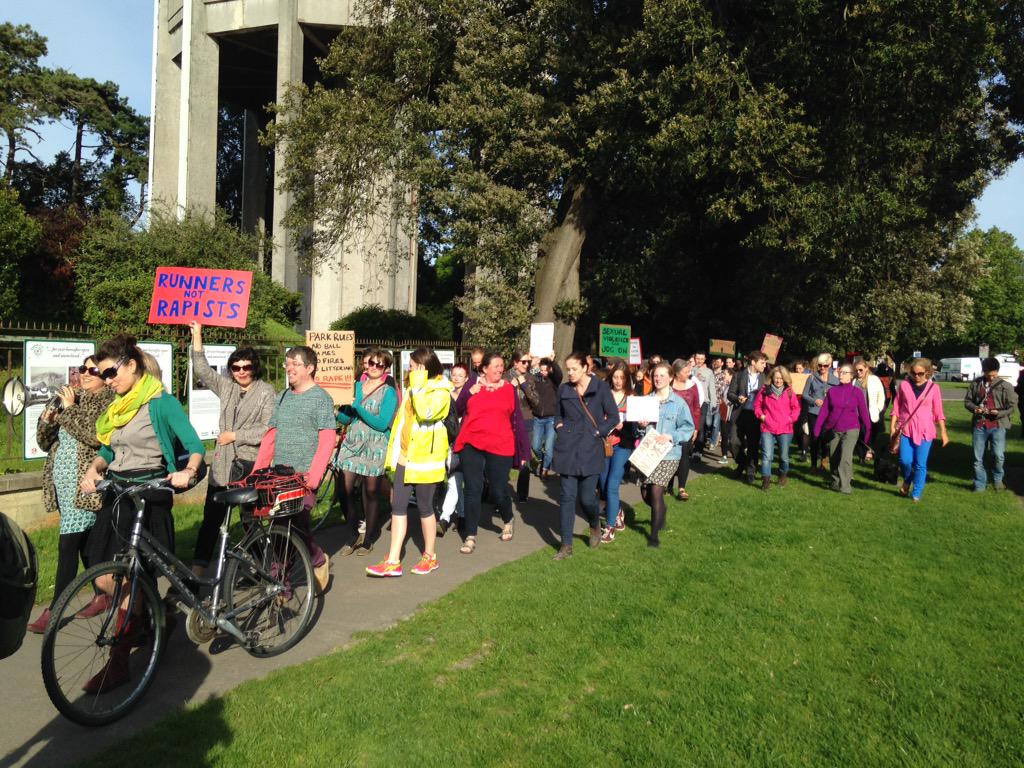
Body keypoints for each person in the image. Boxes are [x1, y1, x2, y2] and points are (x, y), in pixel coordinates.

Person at [78, 335, 205, 693]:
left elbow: (194, 446)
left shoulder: (161, 404)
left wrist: (188, 471)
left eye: (110, 373)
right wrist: (95, 467)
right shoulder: (118, 406)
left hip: (150, 493)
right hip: (118, 493)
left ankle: (119, 663)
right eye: (102, 375)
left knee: (132, 579)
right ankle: (149, 620)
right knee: (104, 576)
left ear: (131, 365)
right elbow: (108, 448)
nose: (107, 381)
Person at [27, 357, 115, 633]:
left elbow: (94, 436)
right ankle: (102, 594)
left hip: (85, 486)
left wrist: (68, 410)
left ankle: (55, 610)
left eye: (93, 371)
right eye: (82, 370)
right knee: (88, 545)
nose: (85, 375)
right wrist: (48, 418)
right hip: (63, 488)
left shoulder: (107, 400)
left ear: (104, 375)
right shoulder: (72, 398)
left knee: (67, 546)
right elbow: (44, 443)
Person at [188, 322, 276, 576]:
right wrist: (197, 336)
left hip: (248, 466)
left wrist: (236, 436)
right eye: (236, 368)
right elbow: (202, 370)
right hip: (222, 467)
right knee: (210, 522)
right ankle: (198, 575)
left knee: (251, 522)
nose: (241, 372)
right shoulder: (227, 387)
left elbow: (268, 428)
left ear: (254, 367)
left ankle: (264, 572)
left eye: (246, 367)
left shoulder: (265, 392)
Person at [251, 345, 336, 589]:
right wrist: (259, 472)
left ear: (309, 368)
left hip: (305, 477)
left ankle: (316, 559)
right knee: (280, 528)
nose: (289, 368)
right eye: (287, 364)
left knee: (295, 528)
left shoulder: (321, 398)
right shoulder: (283, 396)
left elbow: (327, 440)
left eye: (295, 364)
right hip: (279, 477)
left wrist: (314, 477)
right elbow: (271, 436)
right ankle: (282, 585)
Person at [366, 348, 452, 577]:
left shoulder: (441, 390)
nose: (409, 370)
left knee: (425, 508)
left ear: (424, 367)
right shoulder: (414, 387)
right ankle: (393, 560)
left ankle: (430, 556)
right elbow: (403, 422)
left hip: (426, 461)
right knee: (398, 507)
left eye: (413, 366)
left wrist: (419, 382)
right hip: (406, 457)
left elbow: (425, 412)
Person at [454, 352, 530, 555]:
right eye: (495, 366)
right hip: (472, 443)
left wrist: (524, 450)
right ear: (484, 368)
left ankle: (508, 518)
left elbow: (518, 420)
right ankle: (470, 536)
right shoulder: (473, 385)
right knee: (472, 489)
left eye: (501, 366)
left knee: (497, 490)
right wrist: (469, 392)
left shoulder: (508, 389)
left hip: (500, 445)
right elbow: (456, 410)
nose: (499, 369)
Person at [551, 352, 619, 559]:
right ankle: (566, 545)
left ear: (585, 368)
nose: (569, 373)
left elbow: (614, 417)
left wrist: (598, 431)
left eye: (574, 369)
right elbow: (557, 414)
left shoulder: (601, 388)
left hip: (591, 449)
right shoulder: (564, 389)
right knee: (566, 497)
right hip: (568, 449)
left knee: (587, 498)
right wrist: (559, 426)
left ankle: (594, 523)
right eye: (568, 369)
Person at [335, 348, 399, 556]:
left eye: (379, 364)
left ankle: (368, 538)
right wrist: (338, 410)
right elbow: (347, 418)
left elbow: (381, 424)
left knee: (371, 492)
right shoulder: (356, 386)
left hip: (375, 446)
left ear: (386, 368)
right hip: (352, 443)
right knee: (345, 490)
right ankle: (353, 532)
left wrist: (358, 406)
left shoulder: (388, 392)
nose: (373, 367)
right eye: (370, 363)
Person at [637, 362, 695, 548]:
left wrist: (671, 436)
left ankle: (653, 536)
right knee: (646, 494)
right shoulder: (647, 400)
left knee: (655, 491)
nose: (658, 378)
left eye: (662, 375)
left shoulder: (678, 403)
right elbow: (638, 432)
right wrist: (640, 426)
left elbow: (688, 427)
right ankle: (661, 508)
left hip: (670, 454)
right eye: (655, 375)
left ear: (670, 378)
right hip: (648, 453)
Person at [890, 358, 948, 501]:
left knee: (920, 464)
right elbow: (897, 407)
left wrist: (944, 433)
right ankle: (907, 480)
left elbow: (938, 412)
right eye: (913, 373)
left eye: (920, 374)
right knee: (905, 461)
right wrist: (892, 427)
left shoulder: (934, 388)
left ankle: (916, 493)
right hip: (906, 429)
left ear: (927, 372)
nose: (916, 376)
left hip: (925, 430)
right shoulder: (904, 385)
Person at [813, 362, 871, 494]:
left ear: (851, 376)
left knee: (845, 457)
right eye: (840, 372)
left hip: (851, 429)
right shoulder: (832, 391)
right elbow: (824, 412)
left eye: (845, 372)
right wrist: (817, 429)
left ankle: (845, 486)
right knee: (834, 457)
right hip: (834, 429)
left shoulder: (857, 392)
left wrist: (868, 430)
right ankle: (835, 480)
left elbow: (863, 413)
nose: (841, 374)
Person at [965, 356, 1017, 492]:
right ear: (984, 371)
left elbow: (1012, 406)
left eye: (994, 374)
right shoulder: (976, 384)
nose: (991, 376)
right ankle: (980, 484)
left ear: (997, 371)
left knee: (999, 456)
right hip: (979, 425)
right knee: (978, 458)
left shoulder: (1006, 386)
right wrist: (975, 409)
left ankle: (998, 480)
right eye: (989, 374)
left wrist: (998, 413)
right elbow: (968, 401)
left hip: (997, 425)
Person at [599, 362, 636, 542]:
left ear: (627, 379)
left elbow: (636, 427)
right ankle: (618, 511)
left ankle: (610, 526)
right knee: (604, 483)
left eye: (622, 378)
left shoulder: (632, 398)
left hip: (623, 445)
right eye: (615, 377)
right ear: (610, 377)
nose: (618, 381)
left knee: (613, 484)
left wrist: (625, 425)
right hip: (605, 444)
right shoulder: (603, 394)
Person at [753, 365, 802, 490]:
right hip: (767, 428)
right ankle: (766, 481)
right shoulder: (765, 391)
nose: (778, 380)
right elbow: (757, 406)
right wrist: (762, 416)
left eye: (781, 378)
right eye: (776, 378)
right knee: (766, 456)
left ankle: (782, 474)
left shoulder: (789, 391)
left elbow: (796, 408)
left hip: (785, 429)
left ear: (785, 379)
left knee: (784, 457)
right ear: (771, 378)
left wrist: (791, 419)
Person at [439, 363, 471, 534]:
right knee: (455, 481)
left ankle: (445, 518)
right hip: (448, 442)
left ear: (467, 378)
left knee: (456, 481)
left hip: (465, 442)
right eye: (454, 374)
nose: (456, 378)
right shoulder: (445, 394)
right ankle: (461, 516)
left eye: (460, 375)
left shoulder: (469, 395)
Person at [727, 351, 768, 483]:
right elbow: (730, 394)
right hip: (740, 413)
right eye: (762, 362)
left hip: (755, 415)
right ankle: (742, 462)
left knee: (753, 444)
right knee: (733, 442)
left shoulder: (766, 378)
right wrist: (737, 398)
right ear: (753, 362)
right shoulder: (739, 375)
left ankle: (751, 471)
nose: (764, 365)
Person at [506, 350, 540, 502]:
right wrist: (511, 387)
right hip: (508, 420)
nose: (527, 364)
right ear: (515, 363)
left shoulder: (531, 378)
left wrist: (524, 384)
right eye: (523, 362)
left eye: (528, 362)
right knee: (506, 456)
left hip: (526, 420)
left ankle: (522, 493)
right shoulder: (505, 377)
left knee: (525, 458)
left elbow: (536, 401)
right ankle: (502, 494)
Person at [669, 359, 704, 501]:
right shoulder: (669, 385)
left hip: (687, 427)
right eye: (685, 372)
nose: (689, 374)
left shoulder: (692, 385)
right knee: (670, 455)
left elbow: (696, 408)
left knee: (684, 455)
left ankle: (682, 488)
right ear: (676, 373)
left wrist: (696, 427)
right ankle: (668, 484)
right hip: (670, 426)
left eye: (689, 371)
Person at [802, 353, 839, 470]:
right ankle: (813, 464)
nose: (822, 368)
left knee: (825, 438)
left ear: (829, 365)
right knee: (815, 438)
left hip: (829, 414)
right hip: (814, 412)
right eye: (820, 366)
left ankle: (824, 460)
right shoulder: (812, 377)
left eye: (825, 366)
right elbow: (804, 395)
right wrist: (814, 400)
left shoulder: (836, 381)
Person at [530, 357, 562, 477]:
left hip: (551, 418)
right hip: (538, 418)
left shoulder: (554, 380)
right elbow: (527, 375)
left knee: (549, 448)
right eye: (542, 370)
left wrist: (552, 361)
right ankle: (542, 459)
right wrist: (531, 363)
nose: (543, 372)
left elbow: (558, 373)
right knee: (535, 446)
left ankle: (545, 469)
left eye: (546, 370)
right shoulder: (536, 378)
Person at [853, 358, 886, 462]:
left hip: (870, 412)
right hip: (856, 413)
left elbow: (881, 396)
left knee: (869, 433)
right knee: (858, 434)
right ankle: (862, 454)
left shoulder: (874, 379)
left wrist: (878, 408)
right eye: (856, 370)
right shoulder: (854, 381)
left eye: (860, 370)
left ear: (866, 368)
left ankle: (868, 452)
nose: (858, 372)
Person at [691, 352, 716, 455]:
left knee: (700, 426)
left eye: (702, 359)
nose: (700, 361)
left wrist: (713, 403)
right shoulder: (690, 370)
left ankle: (698, 450)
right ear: (695, 359)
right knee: (691, 425)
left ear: (705, 359)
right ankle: (689, 448)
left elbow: (712, 388)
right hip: (691, 401)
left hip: (704, 402)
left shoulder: (709, 372)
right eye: (698, 358)